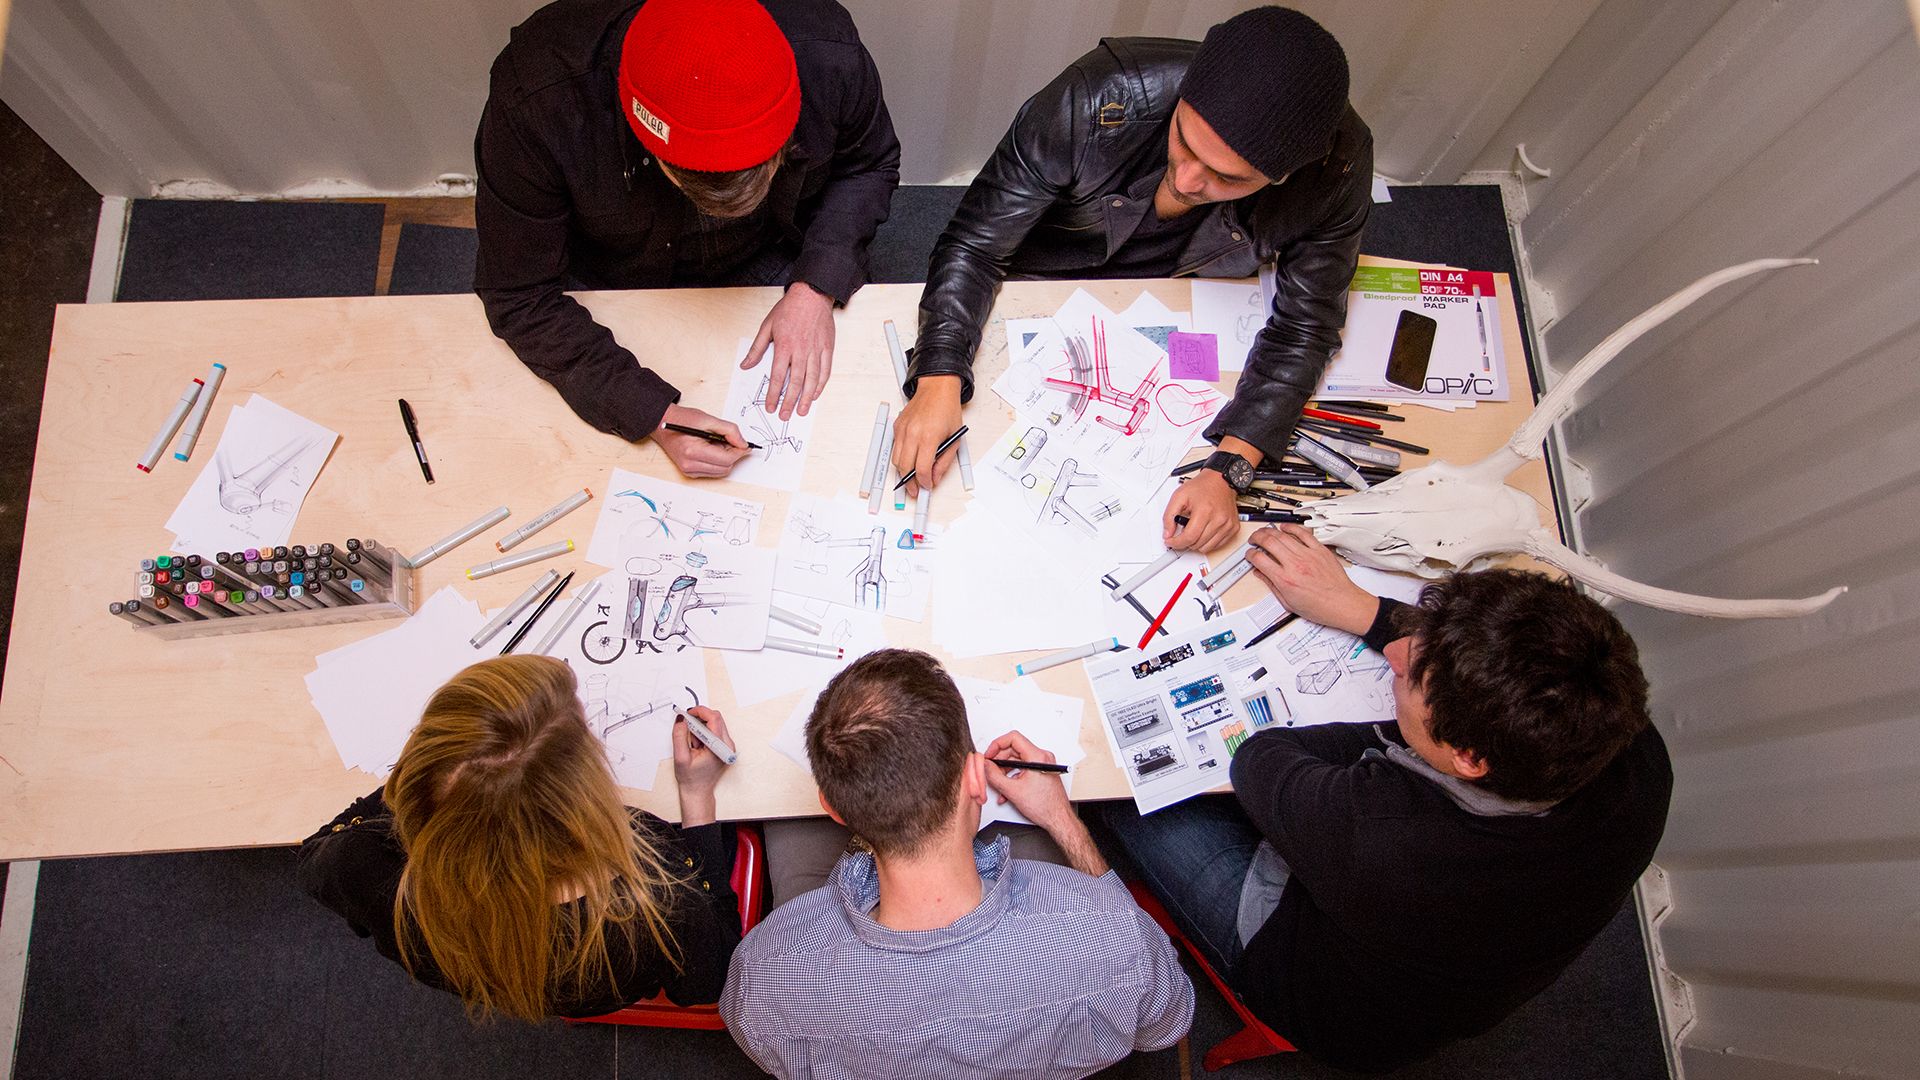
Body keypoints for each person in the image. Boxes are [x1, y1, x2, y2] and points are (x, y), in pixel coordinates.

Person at [1093, 524, 1674, 1072]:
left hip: (1328, 1000)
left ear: (1469, 758)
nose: (1398, 656)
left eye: (1413, 676)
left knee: (1116, 784)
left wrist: (1383, 716)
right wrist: (1361, 610)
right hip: (1442, 961)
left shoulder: (1386, 835)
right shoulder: (1628, 742)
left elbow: (1262, 759)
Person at [897, 6, 1370, 552]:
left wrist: (1231, 468)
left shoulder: (1339, 169)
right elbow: (975, 245)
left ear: (1283, 175)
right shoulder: (1099, 97)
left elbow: (1306, 328)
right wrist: (937, 377)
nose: (1190, 180)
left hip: (1184, 296)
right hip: (1043, 276)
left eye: (1227, 177)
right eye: (1185, 142)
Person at [475, 0, 900, 479]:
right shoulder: (540, 97)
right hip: (618, 274)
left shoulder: (828, 51)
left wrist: (816, 286)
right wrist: (654, 415)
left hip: (777, 249)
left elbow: (868, 165)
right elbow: (518, 294)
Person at [721, 650, 1194, 1077]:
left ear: (834, 809)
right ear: (975, 778)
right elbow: (1165, 1027)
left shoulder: (770, 968)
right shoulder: (1105, 930)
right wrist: (1062, 821)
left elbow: (751, 1034)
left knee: (780, 824)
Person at [298, 655, 742, 1020]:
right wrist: (696, 796)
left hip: (509, 978)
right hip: (597, 986)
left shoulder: (366, 871)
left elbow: (314, 854)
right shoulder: (654, 893)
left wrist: (439, 779)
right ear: (578, 799)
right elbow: (711, 977)